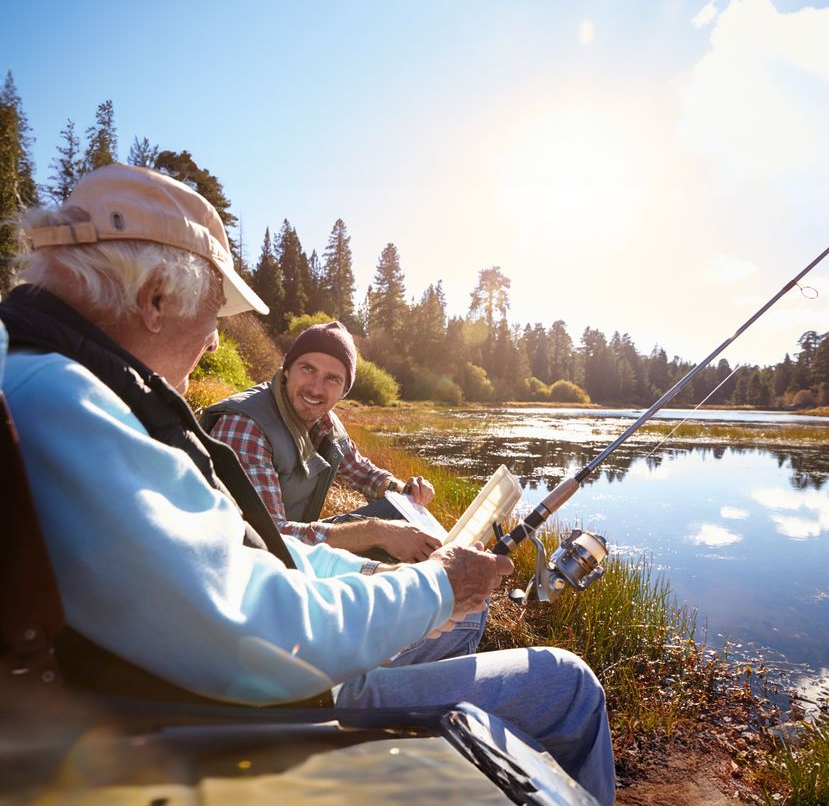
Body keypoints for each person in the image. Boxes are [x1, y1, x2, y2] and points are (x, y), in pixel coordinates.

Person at [0, 163, 615, 805]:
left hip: (257, 681)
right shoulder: (70, 403)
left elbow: (238, 553)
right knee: (567, 683)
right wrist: (437, 582)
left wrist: (377, 572)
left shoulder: (71, 386)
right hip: (279, 712)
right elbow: (258, 631)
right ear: (155, 298)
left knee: (462, 620)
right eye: (214, 314)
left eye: (335, 380)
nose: (215, 341)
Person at [202, 321, 441, 563]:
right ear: (287, 369)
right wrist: (376, 533)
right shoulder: (245, 426)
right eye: (307, 369)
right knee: (388, 537)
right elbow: (267, 538)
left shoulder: (326, 423)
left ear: (344, 391)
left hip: (291, 549)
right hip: (245, 562)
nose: (316, 388)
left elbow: (365, 475)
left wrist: (406, 491)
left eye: (332, 379)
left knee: (402, 511)